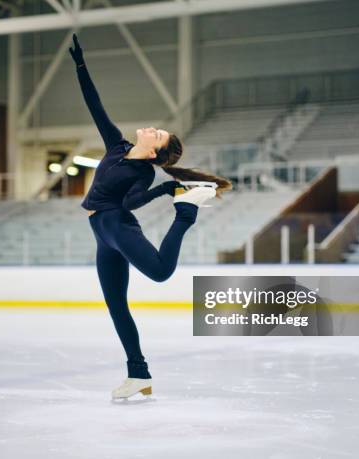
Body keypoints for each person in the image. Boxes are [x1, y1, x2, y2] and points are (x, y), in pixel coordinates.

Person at [69, 33, 232, 399]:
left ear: (155, 151)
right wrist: (81, 66)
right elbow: (96, 107)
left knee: (160, 272)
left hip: (116, 225)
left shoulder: (143, 173)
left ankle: (186, 213)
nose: (152, 129)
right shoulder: (117, 147)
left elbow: (130, 204)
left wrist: (168, 192)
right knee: (116, 306)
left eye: (157, 134)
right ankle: (138, 374)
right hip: (101, 230)